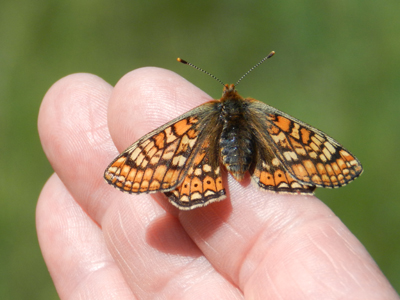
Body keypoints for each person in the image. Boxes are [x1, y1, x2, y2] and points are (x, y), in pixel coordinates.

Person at [37, 68, 399, 299]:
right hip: (266, 160)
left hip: (203, 168)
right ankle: (263, 173)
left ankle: (212, 179)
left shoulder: (204, 117)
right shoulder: (262, 113)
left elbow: (152, 154)